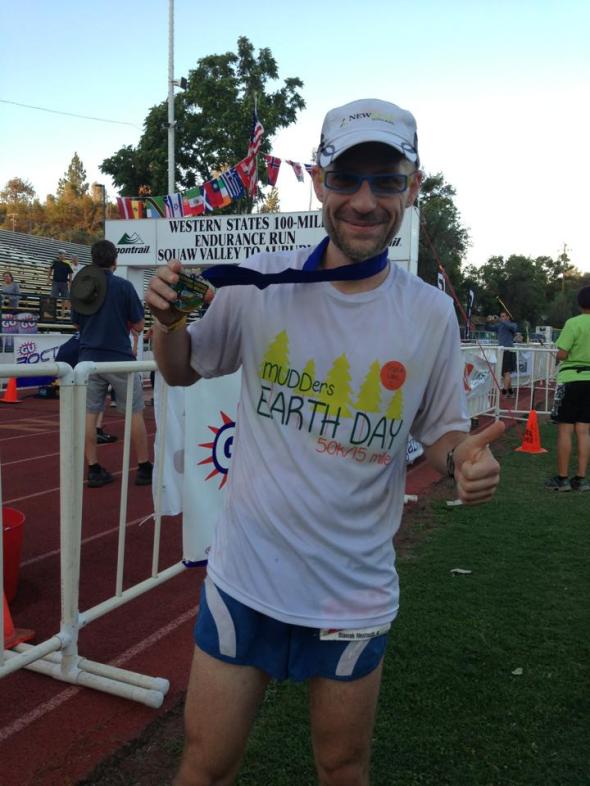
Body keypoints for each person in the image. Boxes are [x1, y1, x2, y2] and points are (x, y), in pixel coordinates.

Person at [146, 97, 505, 786]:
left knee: (342, 768)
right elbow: (183, 368)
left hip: (352, 593)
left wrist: (462, 457)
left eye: (387, 180)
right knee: (204, 765)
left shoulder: (429, 313)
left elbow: (439, 429)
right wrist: (165, 322)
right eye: (347, 179)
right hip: (246, 577)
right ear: (317, 179)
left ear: (413, 186)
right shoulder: (264, 278)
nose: (365, 201)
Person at [71, 239, 153, 488]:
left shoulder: (81, 286)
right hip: (119, 358)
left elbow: (76, 323)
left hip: (88, 360)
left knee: (89, 414)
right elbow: (139, 325)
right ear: (115, 260)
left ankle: (93, 469)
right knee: (134, 411)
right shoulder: (123, 287)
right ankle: (143, 468)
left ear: (93, 260)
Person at [545, 285, 590, 492]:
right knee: (584, 431)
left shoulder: (573, 323)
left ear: (580, 303)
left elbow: (562, 354)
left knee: (565, 429)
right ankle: (580, 479)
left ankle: (562, 479)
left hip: (571, 379)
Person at [486, 311, 518, 396]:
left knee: (506, 372)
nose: (502, 318)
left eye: (504, 316)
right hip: (501, 351)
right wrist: (488, 321)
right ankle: (510, 391)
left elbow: (511, 327)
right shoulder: (499, 326)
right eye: (501, 316)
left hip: (509, 351)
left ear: (508, 317)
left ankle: (504, 392)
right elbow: (488, 328)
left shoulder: (512, 325)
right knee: (504, 373)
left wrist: (500, 320)